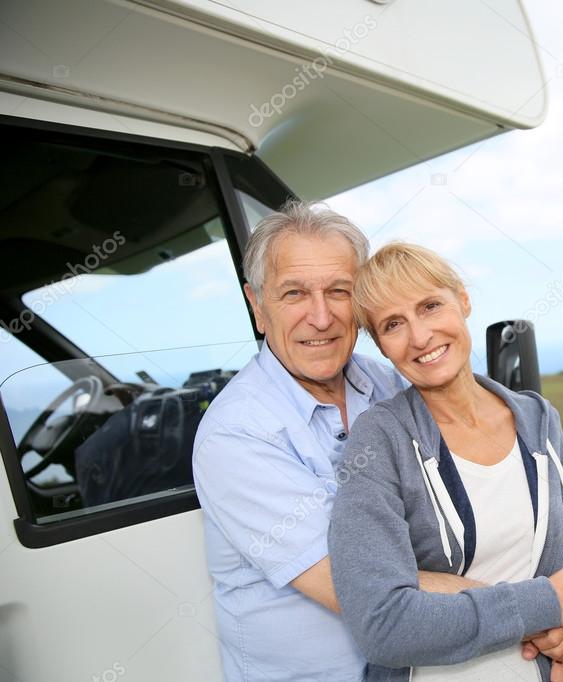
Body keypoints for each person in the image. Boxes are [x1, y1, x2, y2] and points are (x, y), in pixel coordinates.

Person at [193, 203, 480, 681]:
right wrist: (538, 609)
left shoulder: (387, 384)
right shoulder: (237, 433)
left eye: (339, 291)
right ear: (257, 306)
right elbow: (366, 590)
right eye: (294, 293)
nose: (321, 317)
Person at [329, 242, 563, 682]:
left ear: (463, 300)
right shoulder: (380, 441)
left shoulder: (538, 418)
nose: (420, 337)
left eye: (430, 306)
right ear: (382, 346)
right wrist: (550, 606)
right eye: (394, 324)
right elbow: (383, 624)